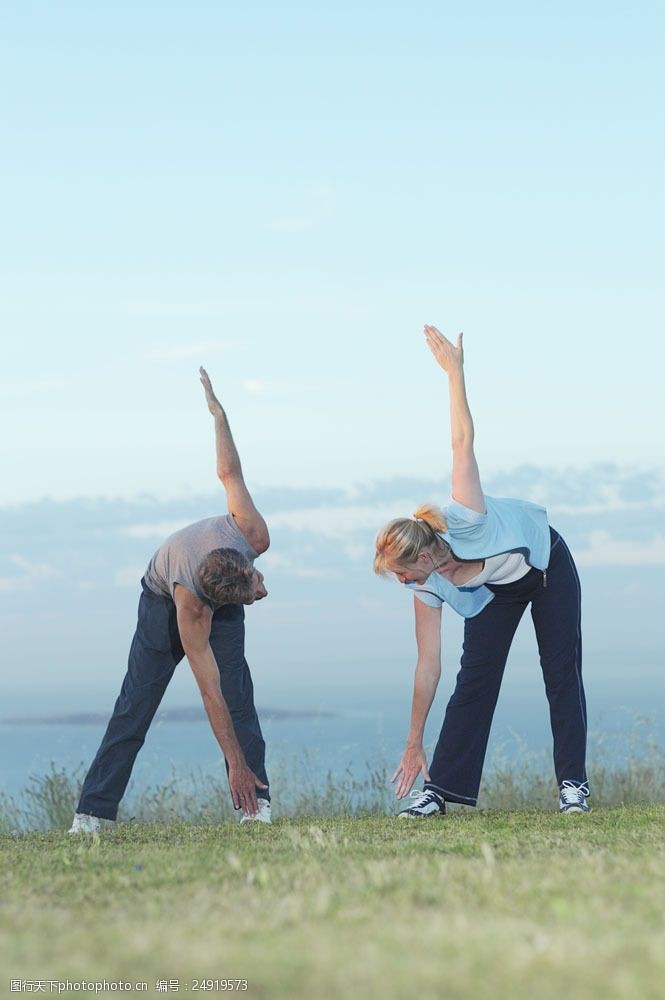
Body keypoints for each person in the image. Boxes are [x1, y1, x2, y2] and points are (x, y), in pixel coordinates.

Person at [374, 326, 590, 818]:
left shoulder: (464, 518)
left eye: (404, 574)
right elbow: (428, 666)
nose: (405, 584)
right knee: (474, 680)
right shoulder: (428, 587)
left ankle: (573, 786)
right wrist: (413, 742)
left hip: (547, 567)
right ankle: (439, 791)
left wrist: (455, 373)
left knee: (560, 672)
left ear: (424, 556)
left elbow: (461, 440)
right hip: (498, 594)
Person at [69, 368, 272, 833]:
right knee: (135, 705)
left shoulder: (250, 532)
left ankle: (256, 808)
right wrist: (233, 763)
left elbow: (228, 471)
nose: (265, 590)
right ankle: (92, 814)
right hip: (160, 599)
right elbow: (208, 691)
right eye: (256, 595)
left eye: (257, 584)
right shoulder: (191, 609)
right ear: (216, 603)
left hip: (205, 581)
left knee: (242, 698)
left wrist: (219, 415)